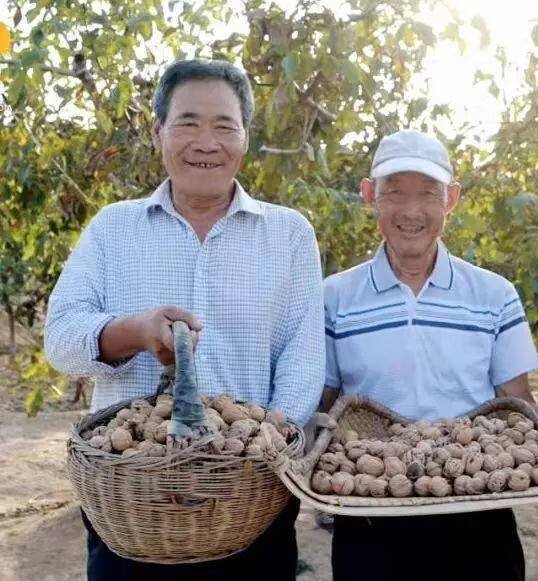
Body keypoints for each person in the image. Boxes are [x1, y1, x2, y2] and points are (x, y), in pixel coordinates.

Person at [44, 59, 325, 580]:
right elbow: (60, 338)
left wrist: (255, 461)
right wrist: (134, 332)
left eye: (224, 126)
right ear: (158, 133)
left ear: (245, 137)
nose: (206, 142)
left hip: (251, 504)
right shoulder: (114, 229)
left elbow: (302, 360)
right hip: (133, 506)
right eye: (188, 123)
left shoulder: (288, 234)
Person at [321, 129, 538, 581]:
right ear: (369, 195)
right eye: (394, 193)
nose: (411, 211)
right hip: (370, 514)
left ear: (452, 199)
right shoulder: (334, 297)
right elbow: (324, 405)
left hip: (478, 511)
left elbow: (517, 404)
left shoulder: (494, 295)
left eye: (428, 194)